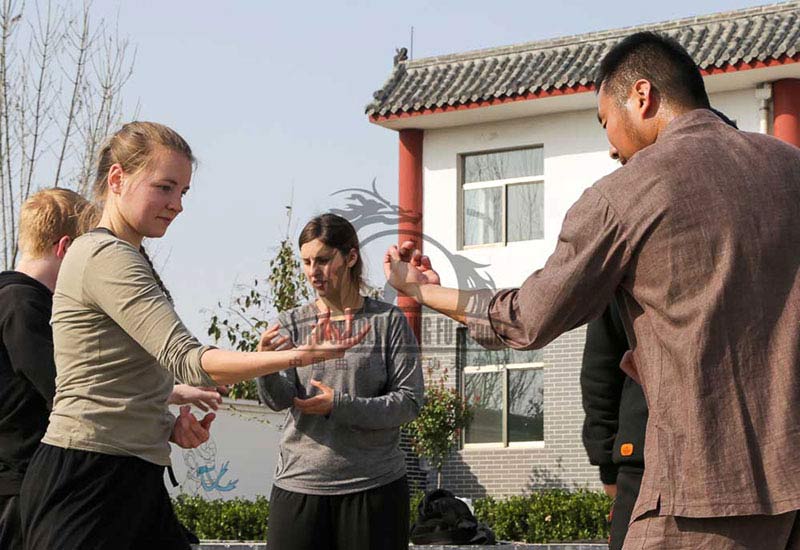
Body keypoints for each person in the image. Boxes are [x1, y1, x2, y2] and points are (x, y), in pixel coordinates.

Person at [384, 31, 800, 548]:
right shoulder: (790, 166)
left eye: (606, 121)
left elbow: (526, 318)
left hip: (705, 490)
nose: (610, 145)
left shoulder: (626, 193)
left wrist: (426, 293)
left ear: (641, 97)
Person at [18, 122, 367, 550]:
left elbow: (114, 373)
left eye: (183, 192)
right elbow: (188, 359)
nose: (177, 205)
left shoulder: (129, 255)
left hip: (131, 474)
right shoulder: (105, 257)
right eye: (165, 188)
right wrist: (297, 356)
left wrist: (164, 424)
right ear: (117, 179)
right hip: (87, 481)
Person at [257, 213, 424, 550]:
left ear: (350, 257)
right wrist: (265, 365)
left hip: (374, 486)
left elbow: (409, 402)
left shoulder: (387, 322)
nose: (312, 271)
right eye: (305, 261)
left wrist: (339, 405)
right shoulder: (291, 323)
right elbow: (278, 400)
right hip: (299, 484)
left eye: (322, 259)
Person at [0, 189, 96, 549]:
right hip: (19, 489)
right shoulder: (23, 304)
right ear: (66, 248)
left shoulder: (15, 299)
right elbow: (65, 390)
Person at [581, 301, 646, 550]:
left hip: (744, 461)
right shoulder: (631, 265)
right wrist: (606, 460)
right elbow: (600, 370)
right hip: (642, 463)